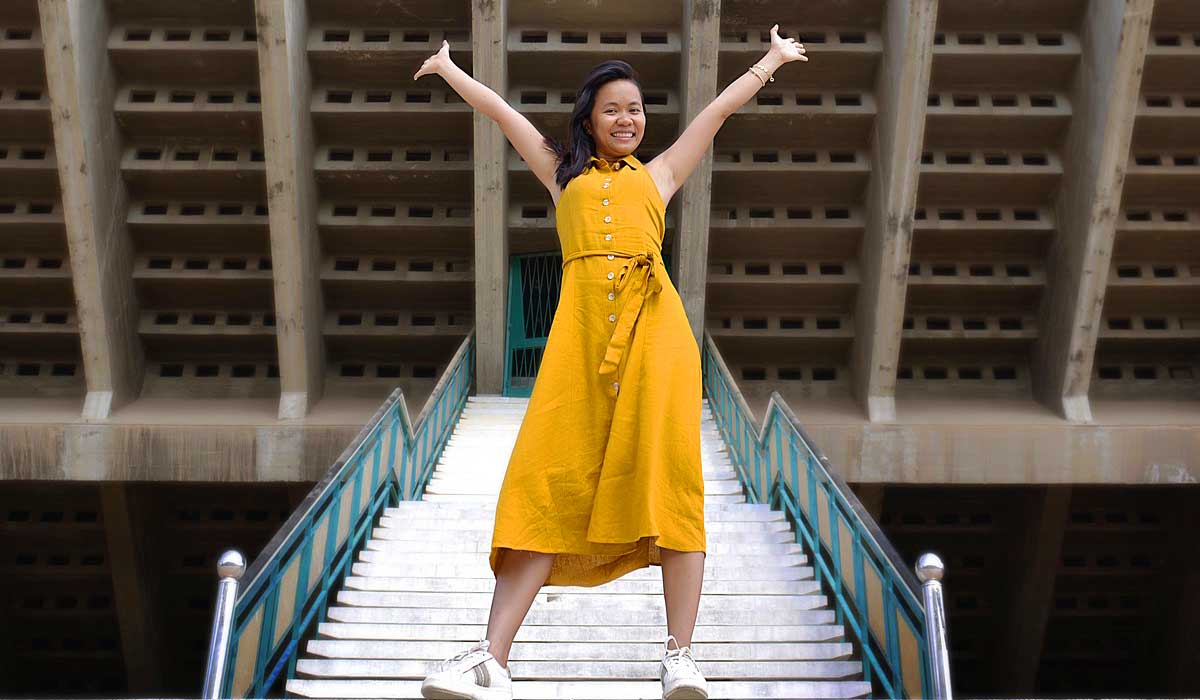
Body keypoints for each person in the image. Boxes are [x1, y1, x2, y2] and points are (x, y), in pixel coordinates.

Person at [412, 25, 807, 700]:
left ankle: (680, 656)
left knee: (670, 484)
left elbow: (716, 112)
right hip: (579, 347)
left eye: (637, 109)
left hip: (656, 343)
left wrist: (770, 61)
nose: (628, 119)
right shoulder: (559, 174)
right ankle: (490, 660)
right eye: (613, 109)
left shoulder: (660, 175)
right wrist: (450, 70)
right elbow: (504, 113)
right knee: (544, 481)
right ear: (589, 122)